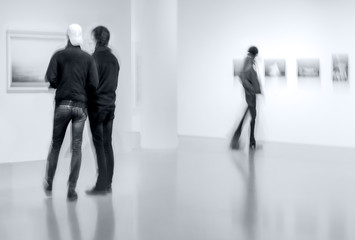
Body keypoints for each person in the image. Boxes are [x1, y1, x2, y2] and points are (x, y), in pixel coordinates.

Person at [43, 23, 99, 201]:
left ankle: (49, 182)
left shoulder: (59, 55)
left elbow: (50, 78)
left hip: (62, 105)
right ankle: (72, 190)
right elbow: (94, 84)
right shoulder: (88, 58)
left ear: (67, 36)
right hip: (81, 107)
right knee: (76, 148)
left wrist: (60, 83)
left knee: (56, 145)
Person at [85, 26, 120, 195]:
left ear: (97, 39)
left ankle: (101, 185)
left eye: (92, 38)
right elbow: (114, 84)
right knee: (108, 144)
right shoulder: (114, 60)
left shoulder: (93, 59)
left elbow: (90, 86)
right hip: (110, 107)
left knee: (99, 145)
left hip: (97, 108)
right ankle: (108, 183)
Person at [230, 46, 261, 150]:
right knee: (252, 117)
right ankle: (250, 141)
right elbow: (243, 78)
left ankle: (249, 141)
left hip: (251, 94)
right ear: (254, 54)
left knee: (251, 117)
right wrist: (252, 89)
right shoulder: (248, 62)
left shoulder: (248, 62)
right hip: (250, 95)